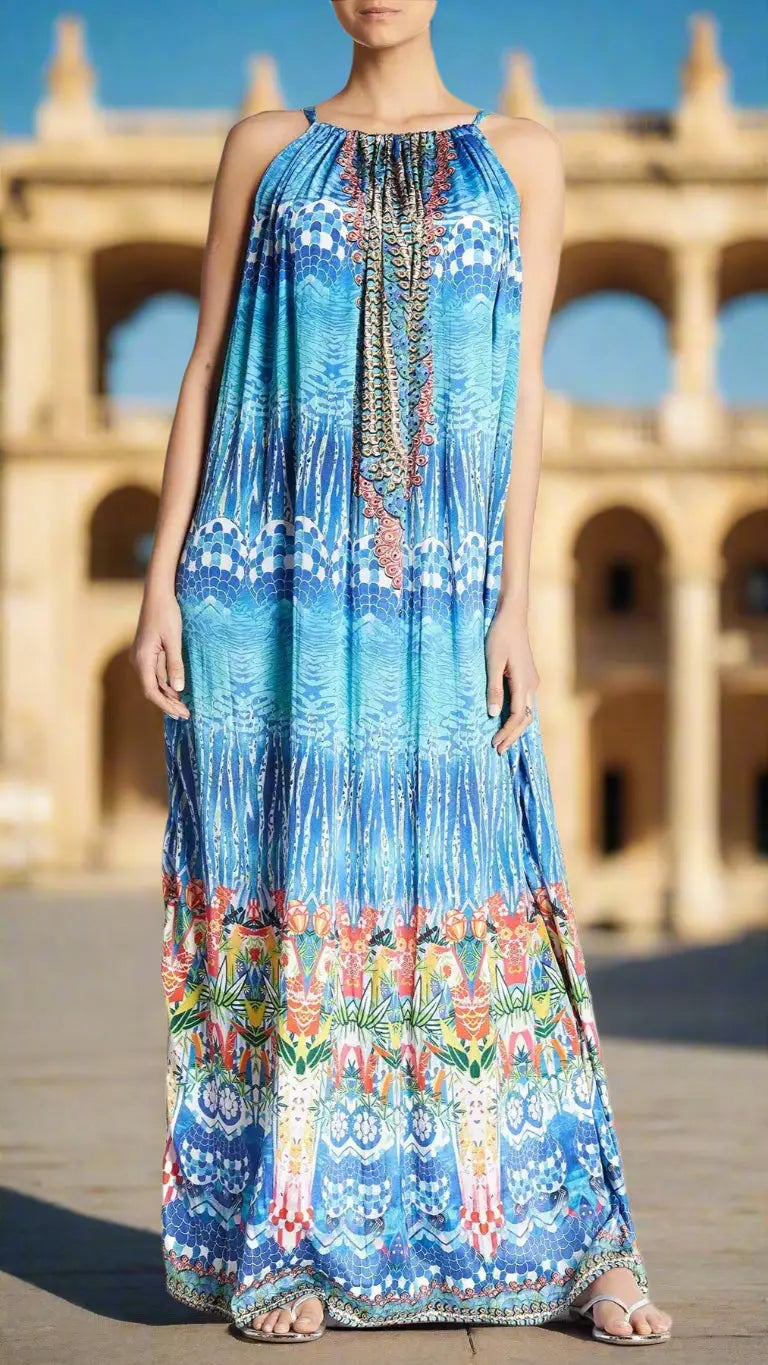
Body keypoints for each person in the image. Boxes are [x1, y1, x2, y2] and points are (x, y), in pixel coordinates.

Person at [131, 0, 673, 1348]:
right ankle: (293, 1236)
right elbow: (203, 364)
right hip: (267, 579)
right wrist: (158, 575)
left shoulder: (521, 160)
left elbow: (525, 390)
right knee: (288, 896)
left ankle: (572, 1246)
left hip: (437, 589)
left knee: (483, 887)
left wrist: (514, 598)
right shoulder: (265, 145)